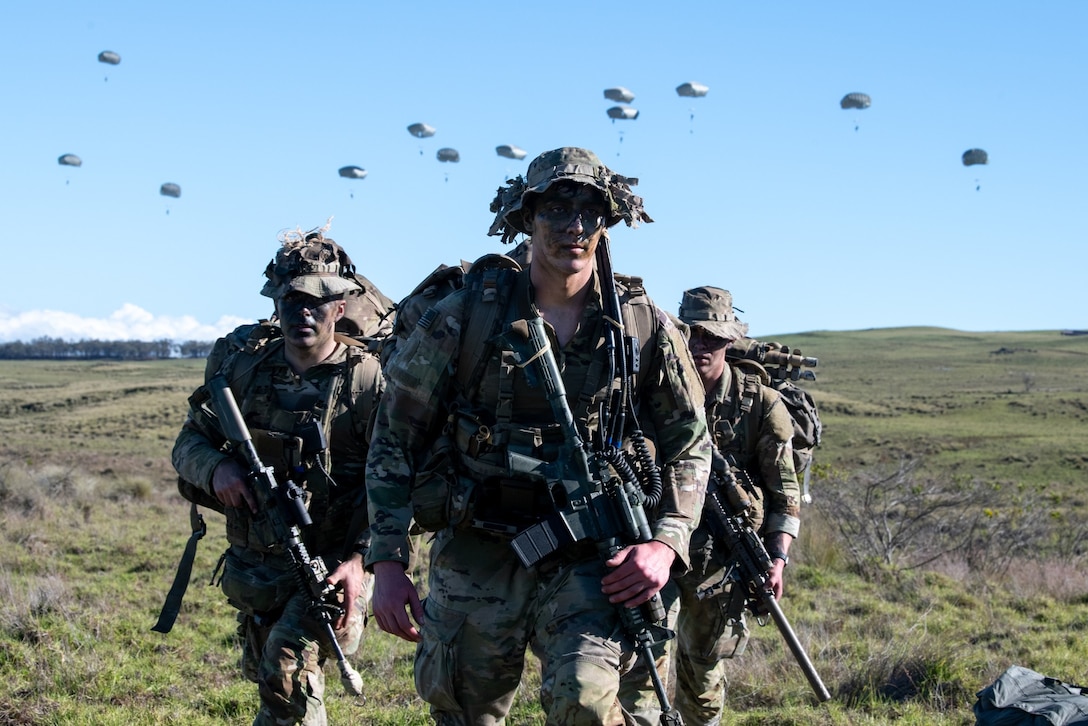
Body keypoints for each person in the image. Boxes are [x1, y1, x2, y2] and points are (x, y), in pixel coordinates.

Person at [365, 147, 712, 724]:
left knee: (586, 704)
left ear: (608, 221)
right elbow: (394, 437)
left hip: (591, 553)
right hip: (478, 542)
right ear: (527, 218)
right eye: (555, 208)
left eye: (589, 210)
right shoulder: (468, 315)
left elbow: (690, 442)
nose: (573, 226)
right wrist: (388, 561)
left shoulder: (642, 325)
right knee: (463, 711)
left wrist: (666, 541)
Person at [172, 228, 385, 726]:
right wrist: (217, 467)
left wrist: (360, 559)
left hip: (335, 565)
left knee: (285, 670)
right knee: (279, 681)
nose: (302, 313)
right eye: (290, 300)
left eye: (316, 301)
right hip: (262, 562)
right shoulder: (246, 370)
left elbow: (400, 481)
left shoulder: (367, 381)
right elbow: (188, 444)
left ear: (340, 307)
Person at [656, 286, 803, 725]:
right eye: (693, 335)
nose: (701, 346)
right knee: (640, 663)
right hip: (658, 542)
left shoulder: (761, 404)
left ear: (729, 342)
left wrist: (777, 558)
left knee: (701, 673)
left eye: (713, 338)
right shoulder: (656, 389)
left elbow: (784, 494)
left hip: (721, 560)